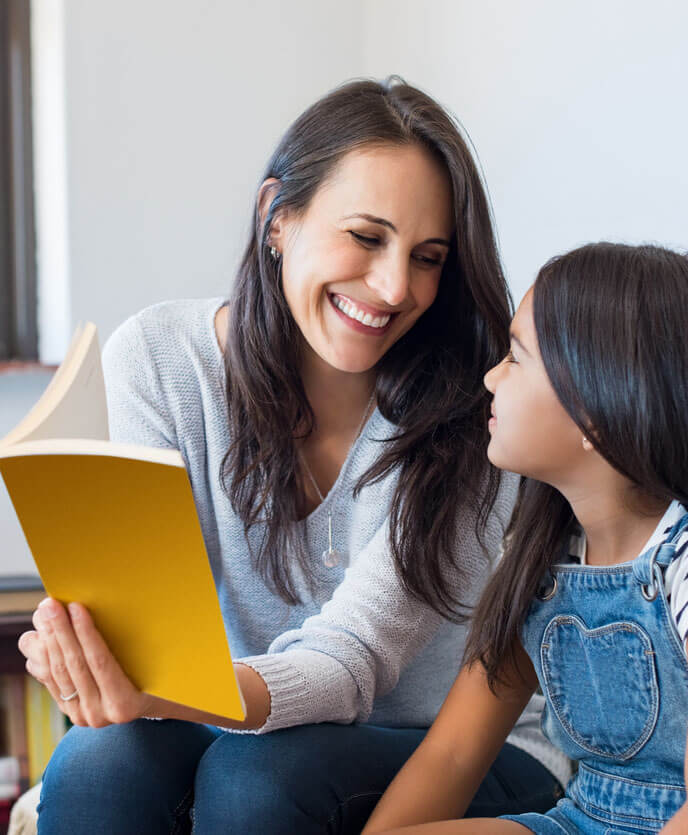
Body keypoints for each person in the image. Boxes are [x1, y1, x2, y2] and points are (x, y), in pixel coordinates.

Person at [18, 78, 566, 835]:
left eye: (428, 256)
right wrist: (94, 662)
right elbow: (152, 629)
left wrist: (161, 689)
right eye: (368, 237)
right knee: (95, 763)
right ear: (277, 217)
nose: (394, 286)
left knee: (259, 781)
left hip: (458, 745)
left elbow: (349, 661)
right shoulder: (157, 359)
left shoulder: (474, 410)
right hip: (249, 718)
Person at [363, 241, 688, 834]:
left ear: (595, 406)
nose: (491, 376)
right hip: (580, 820)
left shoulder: (681, 563)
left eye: (515, 356)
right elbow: (453, 754)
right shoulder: (540, 558)